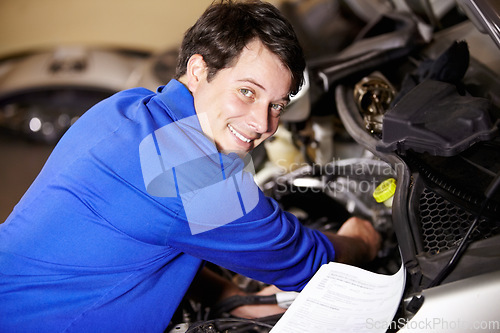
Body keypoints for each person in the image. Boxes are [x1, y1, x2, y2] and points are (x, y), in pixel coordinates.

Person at [0, 1, 380, 332]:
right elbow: (302, 260)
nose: (264, 124)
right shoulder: (189, 171)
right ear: (199, 70)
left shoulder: (129, 106)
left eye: (276, 105)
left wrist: (231, 296)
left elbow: (150, 235)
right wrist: (362, 239)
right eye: (247, 92)